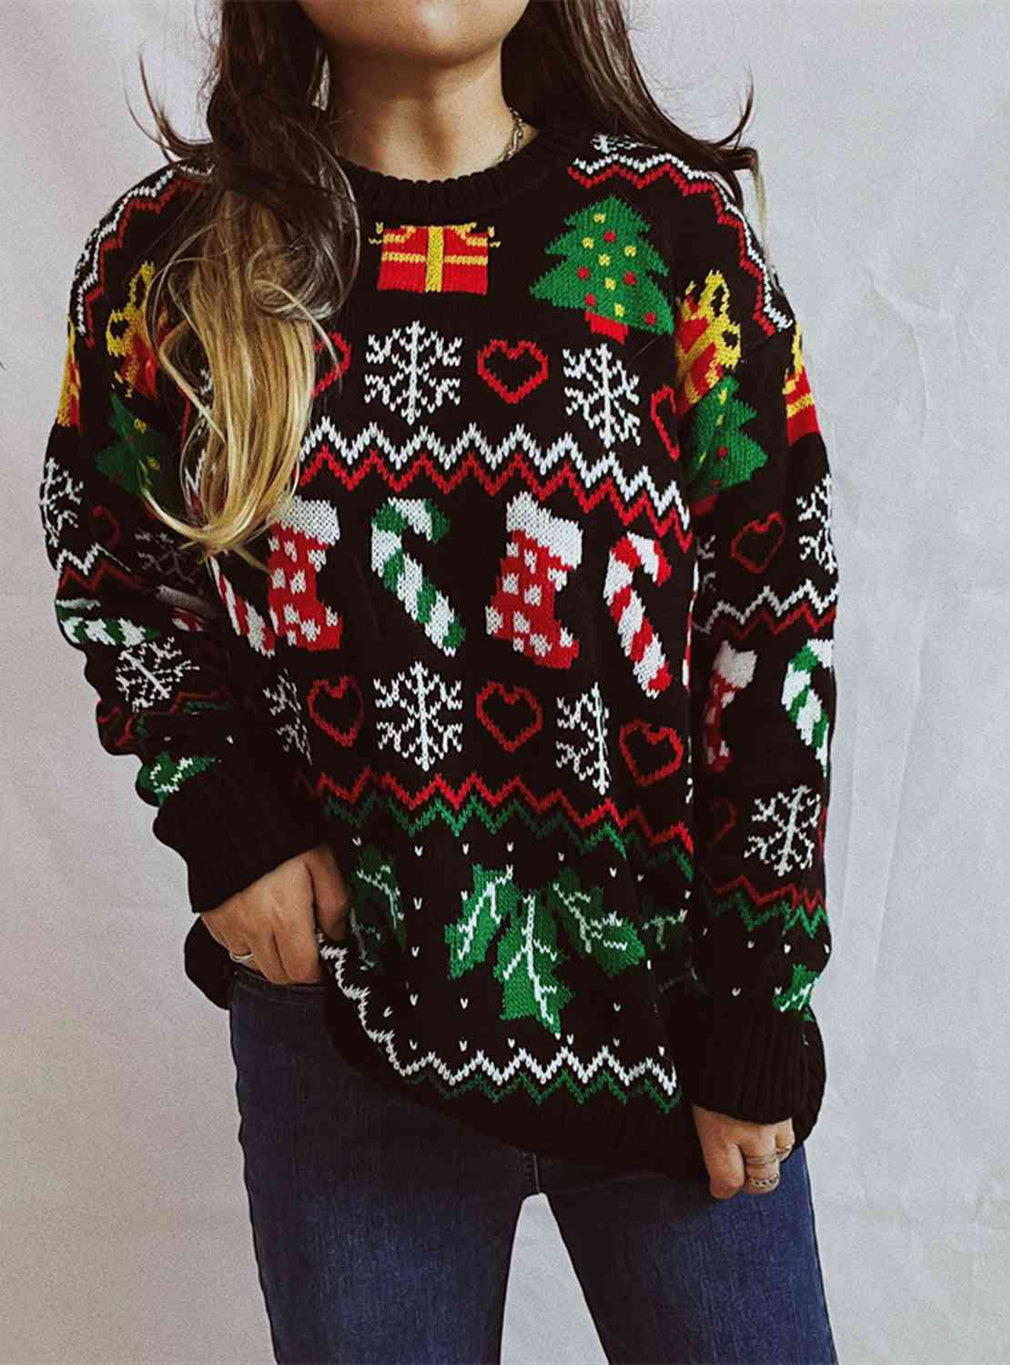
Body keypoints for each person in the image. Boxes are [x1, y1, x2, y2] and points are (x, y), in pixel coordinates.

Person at [38, 1, 841, 1360]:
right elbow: (109, 563)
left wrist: (759, 996)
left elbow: (775, 630)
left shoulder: (676, 242)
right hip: (340, 1023)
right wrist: (227, 820)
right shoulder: (171, 260)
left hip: (671, 1018)